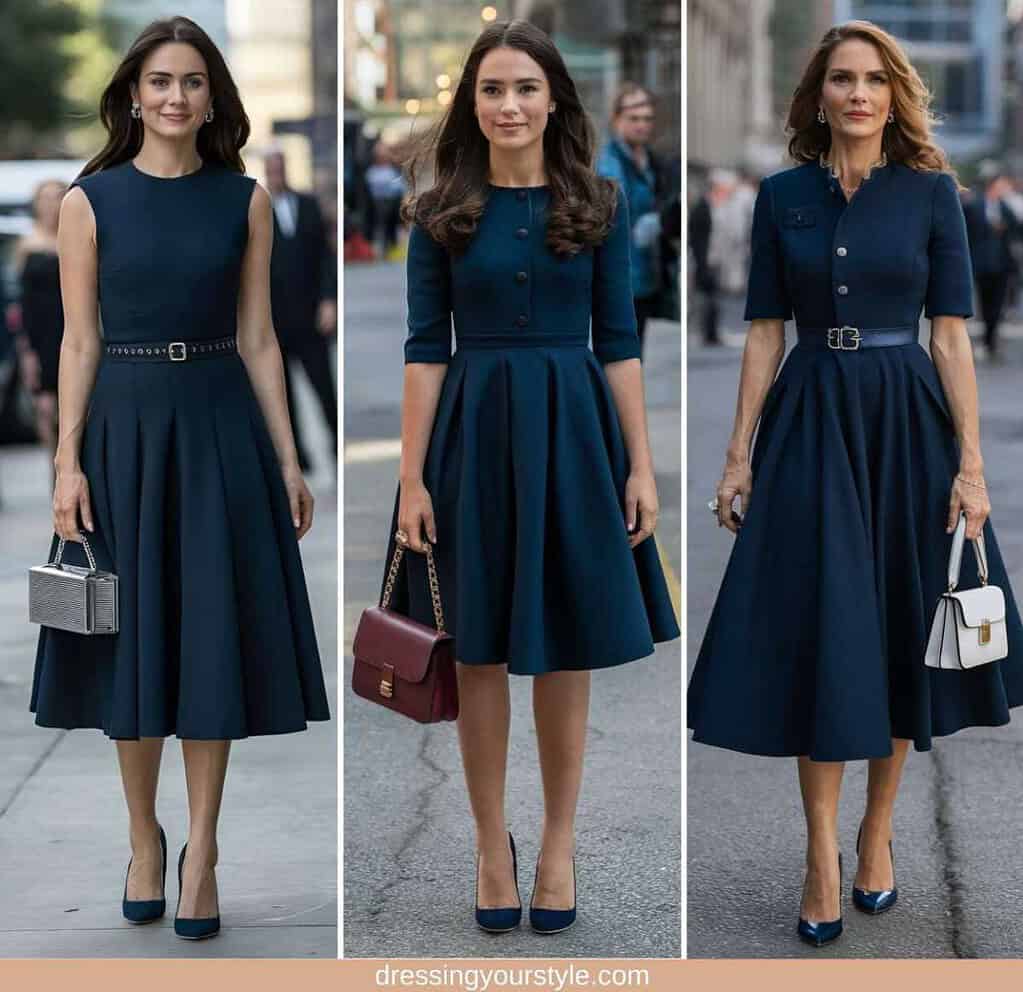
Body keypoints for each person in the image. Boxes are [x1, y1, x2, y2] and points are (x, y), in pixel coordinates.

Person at [686, 20, 1023, 949]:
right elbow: (762, 330)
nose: (859, 93)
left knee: (892, 630)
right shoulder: (781, 196)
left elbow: (950, 334)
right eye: (842, 78)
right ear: (820, 94)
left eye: (875, 79)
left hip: (905, 422)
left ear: (894, 93)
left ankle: (875, 835)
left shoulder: (930, 195)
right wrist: (736, 453)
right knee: (821, 629)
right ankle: (820, 854)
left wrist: (971, 466)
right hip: (809, 420)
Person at [30, 17, 330, 941]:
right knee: (131, 646)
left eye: (193, 82)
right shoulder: (91, 201)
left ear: (213, 97)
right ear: (132, 93)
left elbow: (260, 338)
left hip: (217, 429)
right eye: (160, 80)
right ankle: (143, 840)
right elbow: (78, 340)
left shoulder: (242, 199)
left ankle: (202, 847)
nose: (174, 97)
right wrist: (66, 462)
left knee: (207, 643)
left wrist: (286, 456)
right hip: (121, 428)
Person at [385, 19, 679, 935]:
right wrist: (411, 478)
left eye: (523, 88)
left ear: (554, 99)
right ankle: (487, 847)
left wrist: (640, 464)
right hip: (471, 435)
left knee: (563, 651)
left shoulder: (595, 199)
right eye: (490, 90)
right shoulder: (440, 209)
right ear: (470, 105)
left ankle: (555, 845)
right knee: (475, 651)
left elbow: (620, 343)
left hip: (573, 432)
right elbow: (425, 352)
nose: (507, 105)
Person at [264, 148, 338, 473]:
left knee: (324, 387)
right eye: (271, 170)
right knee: (285, 397)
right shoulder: (259, 211)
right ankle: (300, 460)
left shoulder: (308, 206)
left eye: (279, 168)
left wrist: (328, 300)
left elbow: (325, 257)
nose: (275, 174)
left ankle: (336, 446)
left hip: (310, 316)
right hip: (275, 321)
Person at [596, 83, 662, 351]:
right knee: (620, 360)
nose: (641, 125)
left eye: (647, 119)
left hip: (642, 278)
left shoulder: (647, 160)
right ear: (616, 119)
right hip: (621, 279)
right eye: (634, 119)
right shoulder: (609, 164)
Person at [14, 179, 66, 469]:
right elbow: (22, 304)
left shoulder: (75, 236)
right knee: (48, 413)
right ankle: (56, 478)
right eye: (45, 198)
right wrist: (27, 352)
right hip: (41, 336)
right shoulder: (27, 243)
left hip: (71, 328)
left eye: (57, 196)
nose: (51, 204)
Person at [964, 169, 1022, 361]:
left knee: (998, 305)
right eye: (1000, 186)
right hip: (981, 264)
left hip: (1002, 265)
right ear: (992, 187)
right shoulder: (975, 206)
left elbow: (1016, 229)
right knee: (984, 302)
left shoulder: (1005, 208)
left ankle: (991, 340)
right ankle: (987, 337)